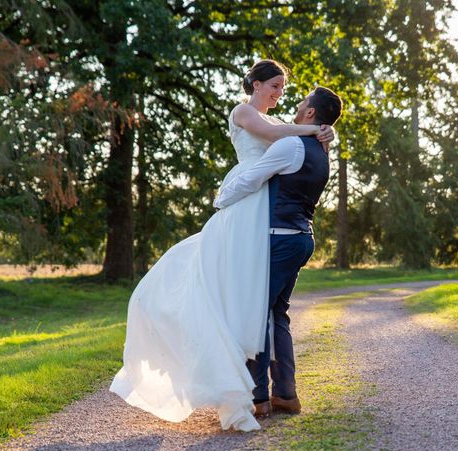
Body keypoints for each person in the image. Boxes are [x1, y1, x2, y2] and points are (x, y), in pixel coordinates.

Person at [109, 60, 334, 432]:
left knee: (259, 307)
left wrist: (326, 133)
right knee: (250, 303)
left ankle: (263, 393)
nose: (280, 93)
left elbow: (290, 140)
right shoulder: (244, 112)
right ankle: (260, 391)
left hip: (264, 215)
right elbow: (272, 135)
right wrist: (319, 129)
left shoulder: (288, 132)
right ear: (257, 84)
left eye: (283, 88)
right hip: (248, 205)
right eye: (275, 86)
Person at [214, 86, 343, 416]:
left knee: (255, 311)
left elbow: (252, 179)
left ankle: (258, 398)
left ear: (311, 113)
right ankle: (285, 393)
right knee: (277, 314)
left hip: (279, 238)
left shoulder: (291, 145)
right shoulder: (321, 149)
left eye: (302, 104)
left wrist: (221, 200)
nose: (296, 108)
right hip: (302, 237)